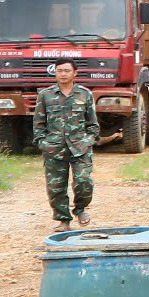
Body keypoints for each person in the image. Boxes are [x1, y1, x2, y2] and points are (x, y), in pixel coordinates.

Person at [32, 59, 98, 229]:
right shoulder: (45, 95)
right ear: (55, 73)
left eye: (66, 70)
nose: (62, 74)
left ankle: (81, 208)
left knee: (84, 181)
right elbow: (38, 123)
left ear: (75, 73)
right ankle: (63, 220)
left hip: (80, 147)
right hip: (54, 148)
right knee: (56, 187)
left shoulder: (85, 94)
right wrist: (42, 143)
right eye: (59, 70)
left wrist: (89, 141)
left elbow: (93, 124)